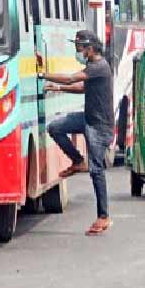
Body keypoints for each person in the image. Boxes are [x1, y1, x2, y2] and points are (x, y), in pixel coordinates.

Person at [41, 30, 113, 236]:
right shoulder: (93, 68)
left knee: (96, 170)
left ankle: (104, 216)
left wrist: (43, 74)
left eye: (79, 48)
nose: (78, 52)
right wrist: (57, 88)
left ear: (90, 48)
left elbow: (71, 79)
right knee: (55, 128)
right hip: (88, 119)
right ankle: (78, 161)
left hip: (99, 125)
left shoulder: (99, 66)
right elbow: (82, 88)